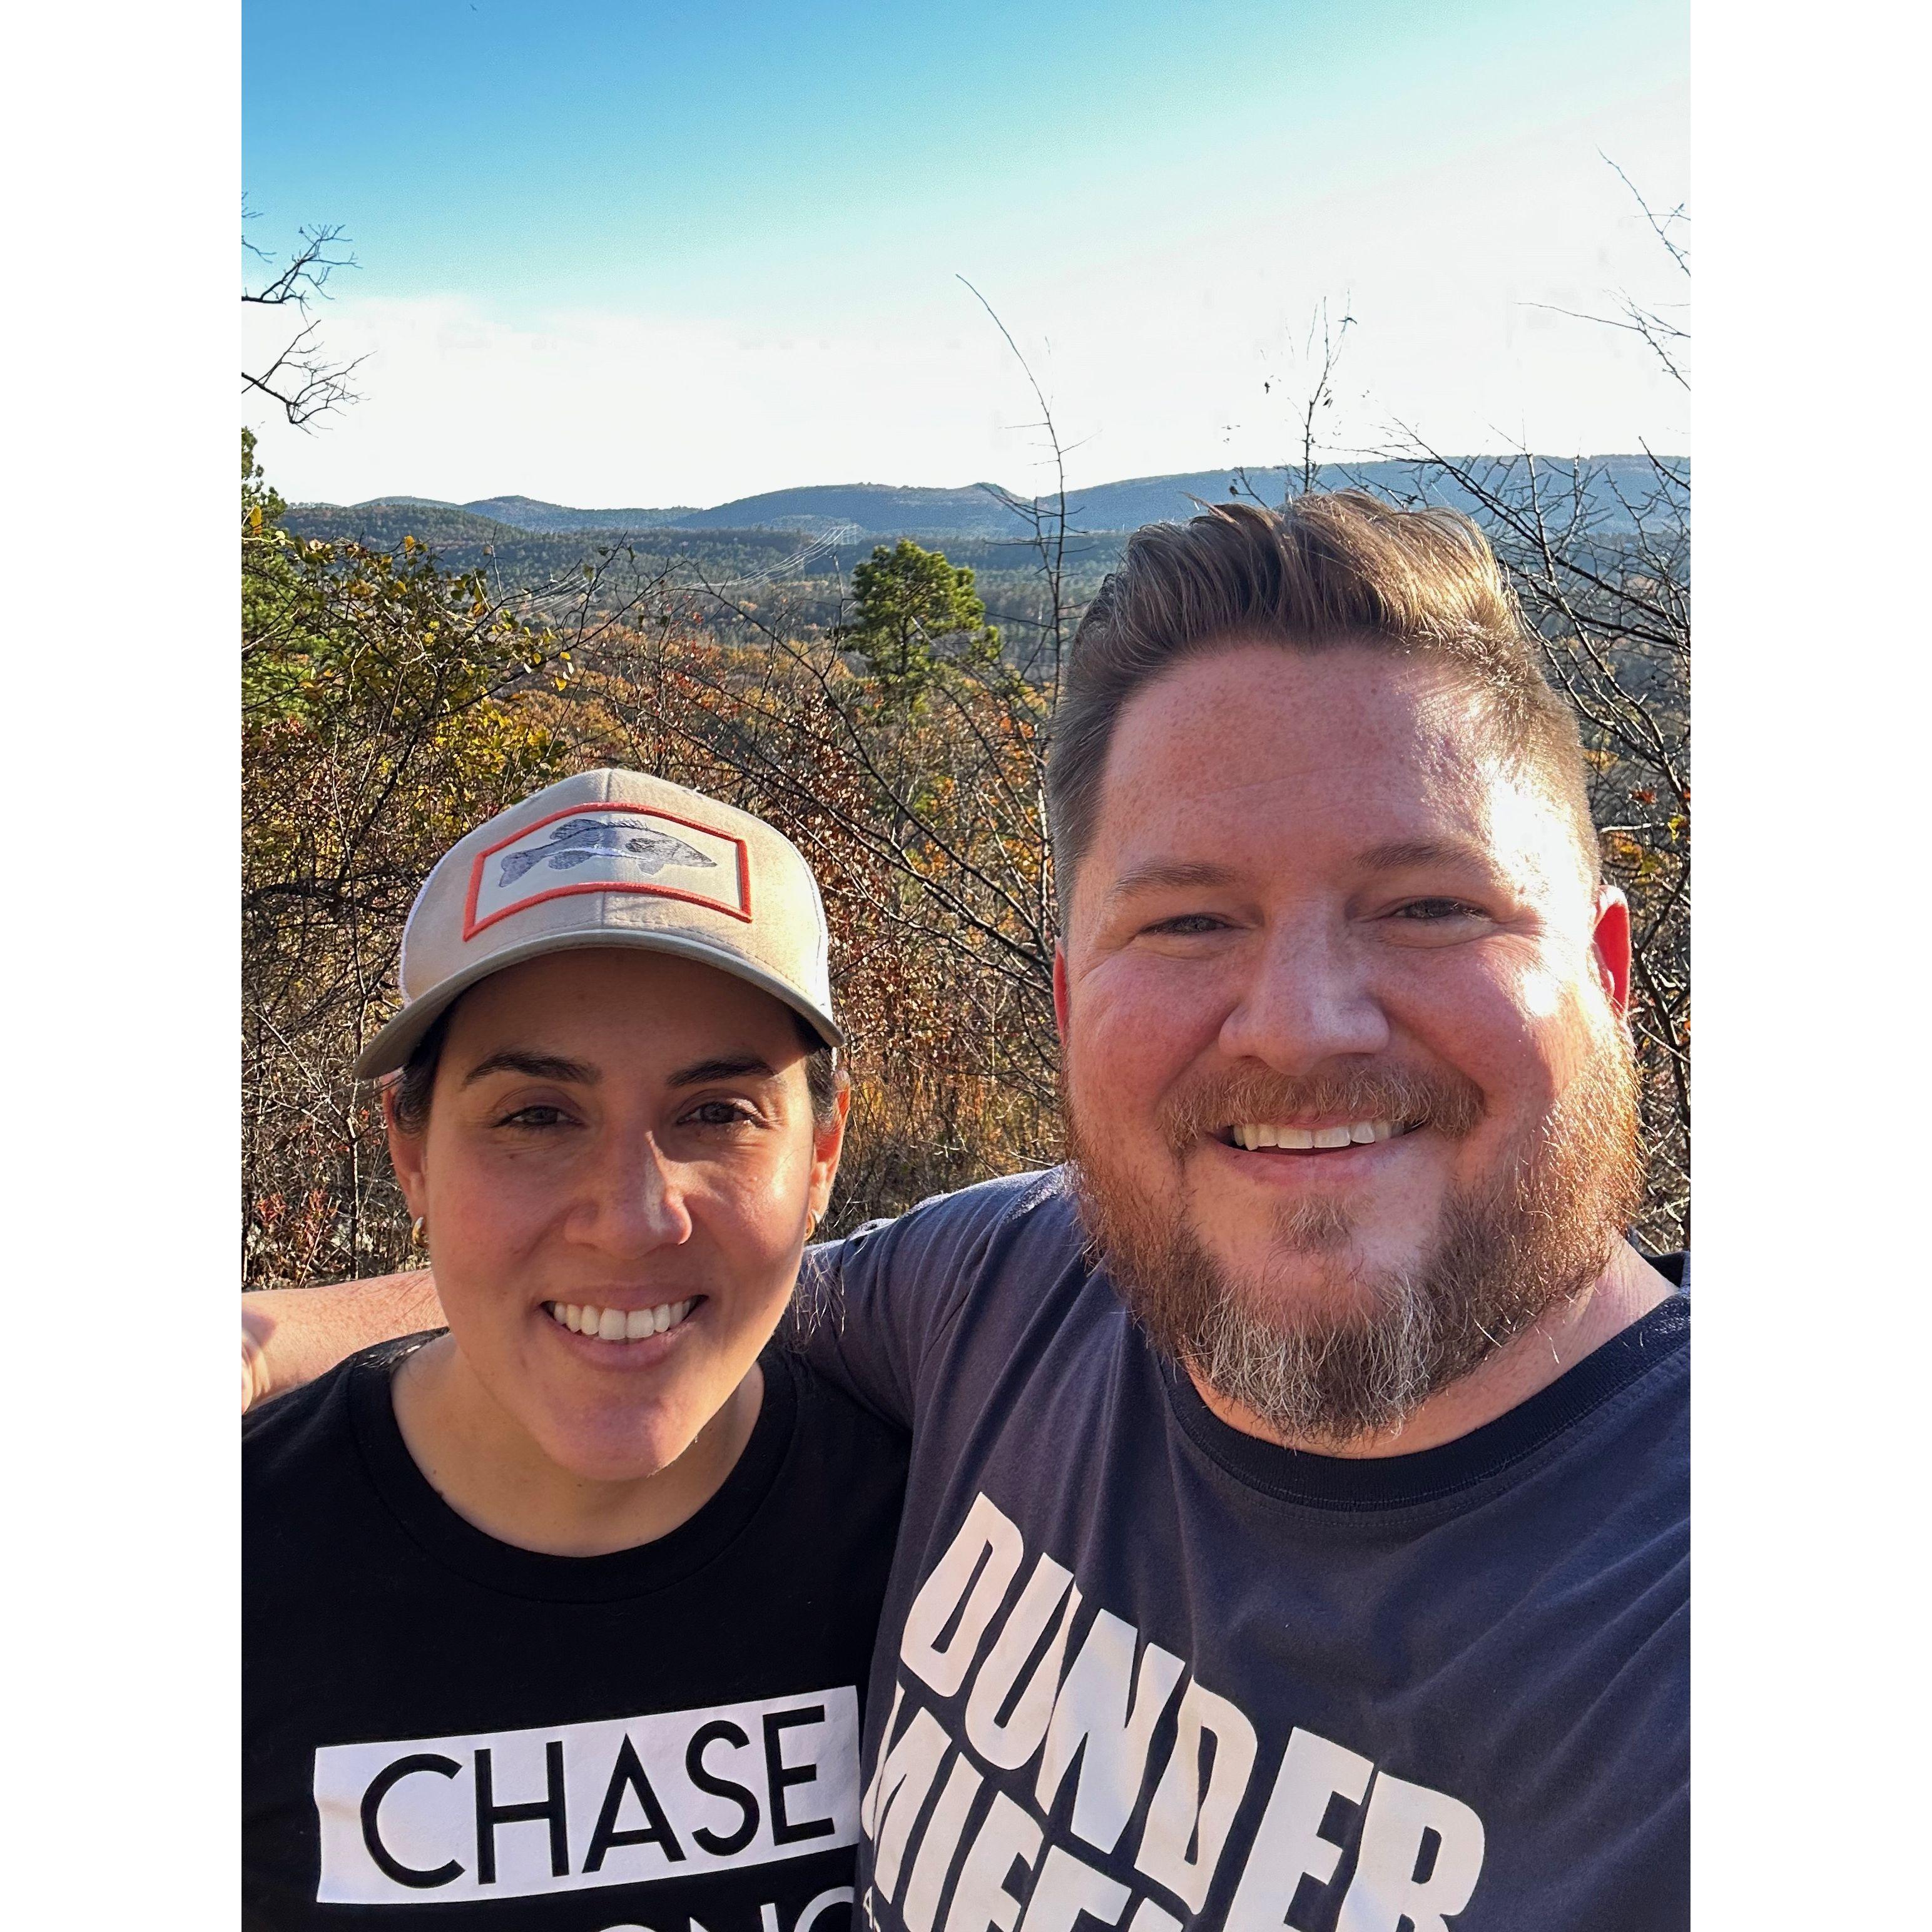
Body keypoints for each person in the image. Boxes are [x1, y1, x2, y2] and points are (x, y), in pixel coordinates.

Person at [246, 495, 1689, 1931]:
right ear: (1070, 1007)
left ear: (1609, 978)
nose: (1301, 1023)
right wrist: (271, 1335)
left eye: (1431, 905)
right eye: (1187, 919)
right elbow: (695, 1281)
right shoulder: (1013, 1288)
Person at [243, 767, 908, 1930]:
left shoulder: (950, 1545)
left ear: (823, 1155)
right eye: (537, 1117)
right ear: (410, 1153)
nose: (633, 1216)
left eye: (717, 1113)